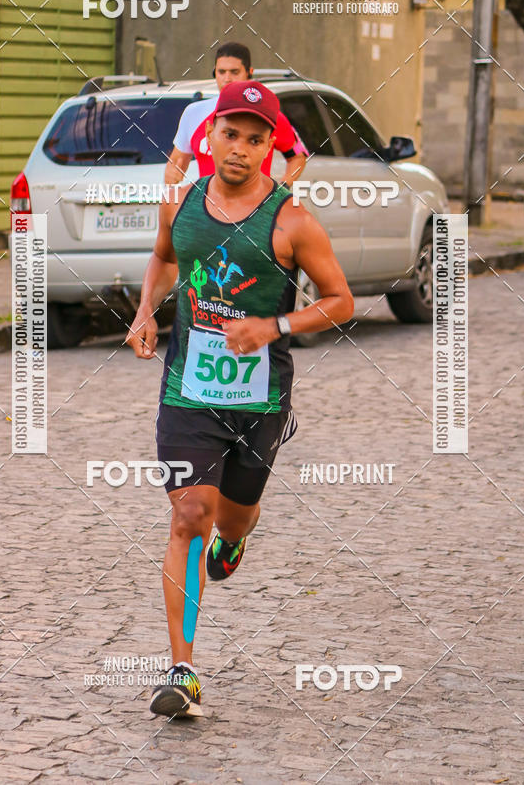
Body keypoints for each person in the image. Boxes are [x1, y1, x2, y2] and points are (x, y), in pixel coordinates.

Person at [126, 80, 354, 719]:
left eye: (257, 140)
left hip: (259, 398)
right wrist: (147, 311)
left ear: (271, 150)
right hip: (187, 389)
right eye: (231, 134)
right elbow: (164, 258)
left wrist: (273, 326)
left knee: (231, 520)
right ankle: (182, 670)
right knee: (187, 515)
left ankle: (236, 538)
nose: (241, 148)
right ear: (209, 135)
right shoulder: (182, 203)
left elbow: (342, 301)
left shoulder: (293, 223)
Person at [164, 41, 308, 188]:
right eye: (221, 72)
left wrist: (282, 188)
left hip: (255, 207)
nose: (227, 78)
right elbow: (176, 163)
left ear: (249, 72)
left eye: (234, 72)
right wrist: (171, 173)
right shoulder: (194, 113)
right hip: (208, 205)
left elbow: (298, 157)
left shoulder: (268, 116)